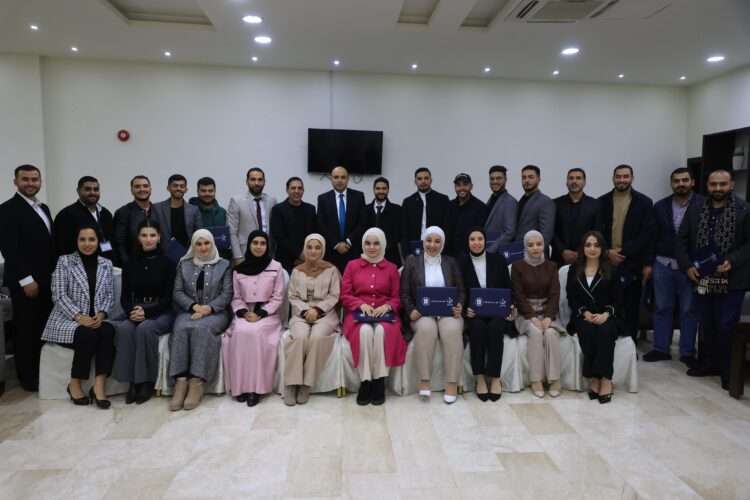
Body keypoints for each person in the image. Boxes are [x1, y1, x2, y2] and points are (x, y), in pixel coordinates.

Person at [676, 169, 750, 390]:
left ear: (731, 185)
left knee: (726, 325)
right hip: (703, 277)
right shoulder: (696, 208)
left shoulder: (744, 209)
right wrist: (687, 266)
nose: (718, 188)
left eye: (722, 184)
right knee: (706, 323)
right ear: (707, 185)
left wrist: (732, 261)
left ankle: (729, 372)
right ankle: (708, 364)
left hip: (732, 279)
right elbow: (681, 240)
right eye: (713, 184)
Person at [41, 225, 115, 409]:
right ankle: (74, 384)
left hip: (95, 319)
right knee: (87, 335)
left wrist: (101, 314)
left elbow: (109, 295)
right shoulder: (64, 261)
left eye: (92, 239)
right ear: (76, 241)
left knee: (108, 331)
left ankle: (99, 386)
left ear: (98, 242)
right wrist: (78, 317)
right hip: (67, 320)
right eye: (82, 239)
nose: (87, 244)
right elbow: (59, 295)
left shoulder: (106, 264)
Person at [0, 164, 55, 391]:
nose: (31, 183)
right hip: (26, 283)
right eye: (26, 179)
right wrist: (26, 280)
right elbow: (9, 249)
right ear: (16, 182)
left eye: (34, 179)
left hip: (45, 279)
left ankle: (42, 374)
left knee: (42, 327)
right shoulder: (7, 209)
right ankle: (28, 379)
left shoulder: (44, 208)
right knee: (25, 330)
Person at [111, 220, 175, 404]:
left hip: (162, 311)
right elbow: (124, 297)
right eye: (144, 235)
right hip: (136, 309)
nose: (148, 239)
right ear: (138, 238)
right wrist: (132, 311)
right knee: (125, 329)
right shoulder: (130, 263)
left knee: (145, 328)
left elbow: (168, 298)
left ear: (159, 237)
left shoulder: (168, 263)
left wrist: (147, 313)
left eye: (152, 235)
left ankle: (146, 382)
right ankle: (132, 382)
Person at [643, 168, 703, 365]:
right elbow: (652, 237)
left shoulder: (703, 204)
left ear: (692, 182)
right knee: (662, 307)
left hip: (691, 267)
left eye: (685, 180)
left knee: (689, 310)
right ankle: (660, 349)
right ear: (672, 184)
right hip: (663, 264)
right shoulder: (660, 206)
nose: (681, 184)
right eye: (676, 181)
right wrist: (649, 263)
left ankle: (687, 352)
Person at [400, 226, 465, 404]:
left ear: (442, 244)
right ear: (423, 242)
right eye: (429, 240)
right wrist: (411, 310)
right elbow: (404, 292)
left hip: (448, 313)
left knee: (452, 330)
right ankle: (424, 380)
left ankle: (451, 382)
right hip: (421, 314)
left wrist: (459, 305)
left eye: (437, 241)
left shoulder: (451, 262)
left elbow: (461, 291)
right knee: (426, 329)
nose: (432, 245)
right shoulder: (412, 261)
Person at [169, 230, 233, 411]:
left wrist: (208, 309)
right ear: (193, 246)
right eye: (199, 244)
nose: (203, 248)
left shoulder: (224, 265)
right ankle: (181, 381)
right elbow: (177, 292)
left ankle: (197, 381)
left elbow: (227, 294)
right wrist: (194, 307)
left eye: (207, 243)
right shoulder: (184, 264)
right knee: (180, 328)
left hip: (216, 313)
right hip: (189, 311)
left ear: (213, 244)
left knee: (201, 329)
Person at [341, 228, 406, 406]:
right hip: (358, 314)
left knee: (381, 332)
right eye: (368, 243)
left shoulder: (391, 268)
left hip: (385, 314)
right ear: (363, 245)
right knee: (365, 332)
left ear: (383, 244)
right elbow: (345, 295)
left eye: (376, 243)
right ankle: (365, 381)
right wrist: (359, 304)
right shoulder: (352, 265)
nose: (371, 247)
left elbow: (397, 298)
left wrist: (387, 306)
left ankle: (379, 381)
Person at [222, 230, 285, 407]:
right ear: (249, 245)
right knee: (240, 331)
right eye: (255, 243)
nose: (259, 247)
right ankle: (240, 387)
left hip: (268, 315)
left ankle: (256, 389)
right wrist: (243, 313)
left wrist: (261, 313)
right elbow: (236, 297)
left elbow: (278, 297)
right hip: (245, 314)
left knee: (256, 333)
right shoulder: (239, 270)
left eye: (262, 243)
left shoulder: (276, 267)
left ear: (267, 246)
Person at [596, 164, 655, 342]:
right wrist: (607, 252)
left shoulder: (644, 202)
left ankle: (629, 344)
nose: (622, 180)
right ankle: (608, 341)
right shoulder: (601, 201)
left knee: (631, 306)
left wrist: (623, 253)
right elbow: (597, 231)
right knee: (607, 303)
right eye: (618, 176)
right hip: (606, 261)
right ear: (613, 178)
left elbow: (647, 235)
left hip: (632, 262)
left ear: (632, 178)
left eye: (625, 176)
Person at [565, 231, 623, 404]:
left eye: (596, 245)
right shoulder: (574, 270)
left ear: (602, 248)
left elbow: (619, 299)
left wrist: (606, 314)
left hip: (607, 315)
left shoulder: (612, 270)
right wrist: (584, 313)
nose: (592, 249)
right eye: (588, 245)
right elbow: (572, 297)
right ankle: (594, 378)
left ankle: (605, 379)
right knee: (588, 332)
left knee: (605, 333)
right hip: (583, 316)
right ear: (582, 248)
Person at [283, 233, 340, 406]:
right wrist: (306, 310)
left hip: (325, 314)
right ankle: (292, 384)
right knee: (299, 338)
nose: (313, 251)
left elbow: (334, 295)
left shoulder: (332, 270)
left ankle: (306, 384)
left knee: (316, 338)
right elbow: (292, 296)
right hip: (301, 314)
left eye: (317, 247)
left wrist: (317, 309)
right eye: (309, 247)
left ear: (323, 250)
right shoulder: (296, 271)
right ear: (304, 249)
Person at [459, 228, 512, 402]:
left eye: (480, 239)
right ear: (467, 242)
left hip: (496, 311)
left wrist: (508, 307)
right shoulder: (461, 263)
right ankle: (480, 377)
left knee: (496, 327)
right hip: (474, 313)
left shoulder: (498, 260)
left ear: (485, 241)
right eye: (472, 239)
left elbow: (507, 288)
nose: (476, 242)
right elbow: (459, 291)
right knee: (478, 328)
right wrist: (465, 309)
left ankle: (495, 377)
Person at [511, 230, 564, 398]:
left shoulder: (552, 266)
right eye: (531, 245)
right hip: (525, 314)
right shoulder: (517, 267)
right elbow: (518, 295)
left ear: (544, 246)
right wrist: (532, 317)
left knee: (550, 333)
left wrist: (548, 317)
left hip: (548, 313)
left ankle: (554, 379)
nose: (535, 248)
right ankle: (536, 380)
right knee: (535, 332)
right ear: (525, 247)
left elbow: (555, 294)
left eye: (539, 244)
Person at [316, 166, 367, 272]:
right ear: (331, 179)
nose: (339, 180)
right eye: (336, 177)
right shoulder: (323, 199)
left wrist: (348, 241)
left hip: (353, 250)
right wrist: (335, 244)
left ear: (348, 179)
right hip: (331, 252)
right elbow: (321, 225)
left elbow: (362, 223)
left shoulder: (358, 196)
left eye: (343, 177)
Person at [53, 176, 115, 261]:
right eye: (87, 189)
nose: (92, 192)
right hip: (78, 265)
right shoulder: (66, 215)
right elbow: (62, 247)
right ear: (78, 191)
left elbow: (110, 240)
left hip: (104, 263)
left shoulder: (106, 214)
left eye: (96, 189)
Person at [227, 167, 277, 265]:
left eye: (260, 180)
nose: (256, 183)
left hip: (267, 255)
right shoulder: (236, 201)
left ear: (264, 182)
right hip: (244, 254)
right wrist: (238, 256)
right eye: (253, 179)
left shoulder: (272, 201)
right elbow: (232, 232)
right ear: (247, 182)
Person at [401, 168, 451, 259]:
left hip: (437, 248)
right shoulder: (408, 202)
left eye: (426, 178)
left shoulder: (442, 200)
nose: (423, 181)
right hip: (415, 249)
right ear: (415, 182)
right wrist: (406, 254)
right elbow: (404, 230)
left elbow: (446, 228)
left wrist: (444, 249)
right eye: (419, 179)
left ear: (431, 180)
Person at [270, 176, 317, 273]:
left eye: (300, 188)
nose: (296, 191)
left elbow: (313, 234)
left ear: (303, 190)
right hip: (285, 262)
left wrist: (306, 255)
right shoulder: (278, 210)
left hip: (307, 260)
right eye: (293, 188)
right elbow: (279, 237)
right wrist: (299, 254)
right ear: (287, 190)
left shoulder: (310, 209)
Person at [552, 168, 598, 266]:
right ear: (566, 182)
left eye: (578, 178)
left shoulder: (595, 204)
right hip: (559, 258)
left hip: (586, 258)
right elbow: (552, 230)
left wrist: (581, 252)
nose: (574, 181)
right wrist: (562, 251)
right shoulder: (555, 204)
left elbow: (596, 231)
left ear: (584, 182)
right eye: (571, 178)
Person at [152, 174, 202, 252]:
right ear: (168, 188)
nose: (178, 188)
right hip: (163, 253)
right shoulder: (157, 208)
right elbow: (152, 232)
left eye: (182, 186)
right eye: (175, 186)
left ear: (186, 189)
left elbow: (199, 233)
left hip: (188, 253)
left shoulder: (194, 210)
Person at [113, 175, 153, 266]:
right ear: (132, 190)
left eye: (145, 186)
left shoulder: (157, 210)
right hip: (132, 264)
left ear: (150, 189)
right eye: (137, 186)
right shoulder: (123, 212)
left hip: (155, 264)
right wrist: (127, 265)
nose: (142, 189)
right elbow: (119, 243)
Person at [189, 176, 232, 260]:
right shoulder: (190, 212)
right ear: (197, 191)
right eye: (203, 191)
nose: (207, 194)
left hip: (220, 258)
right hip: (196, 259)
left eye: (210, 191)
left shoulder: (222, 212)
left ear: (215, 192)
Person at [447, 173, 488, 257]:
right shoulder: (449, 206)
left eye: (465, 184)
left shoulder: (481, 207)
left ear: (471, 186)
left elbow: (483, 234)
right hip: (451, 256)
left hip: (472, 257)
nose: (462, 188)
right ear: (455, 187)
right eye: (458, 185)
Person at [365, 177, 403, 266]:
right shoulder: (365, 210)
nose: (381, 191)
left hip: (391, 257)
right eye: (378, 188)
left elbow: (399, 234)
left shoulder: (397, 210)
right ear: (374, 190)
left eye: (384, 188)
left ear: (388, 190)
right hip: (369, 256)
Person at [514, 165, 555, 244]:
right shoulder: (520, 201)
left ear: (538, 179)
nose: (527, 180)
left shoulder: (545, 202)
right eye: (524, 177)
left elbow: (546, 235)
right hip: (516, 249)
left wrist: (535, 250)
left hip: (533, 250)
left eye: (531, 177)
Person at [484, 165, 518, 253]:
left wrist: (490, 250)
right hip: (487, 250)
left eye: (498, 178)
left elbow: (509, 233)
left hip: (498, 253)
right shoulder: (491, 199)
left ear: (505, 180)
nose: (495, 181)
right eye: (492, 179)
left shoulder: (510, 202)